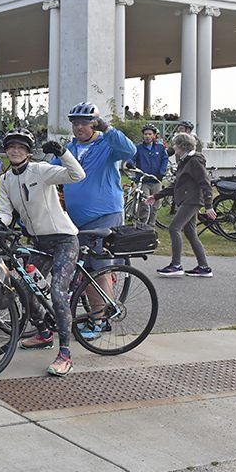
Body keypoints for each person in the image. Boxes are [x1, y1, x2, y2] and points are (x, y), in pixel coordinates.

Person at [0, 129, 85, 376]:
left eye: (21, 147)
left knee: (57, 292)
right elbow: (5, 211)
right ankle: (44, 333)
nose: (15, 151)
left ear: (28, 152)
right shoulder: (6, 179)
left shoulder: (41, 170)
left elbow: (77, 175)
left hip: (64, 240)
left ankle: (65, 353)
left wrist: (63, 153)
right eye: (11, 146)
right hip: (38, 242)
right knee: (25, 289)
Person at [54, 102, 136, 341]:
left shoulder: (106, 145)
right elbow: (49, 171)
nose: (79, 127)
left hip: (105, 215)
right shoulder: (69, 148)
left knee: (96, 268)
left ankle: (100, 320)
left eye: (84, 123)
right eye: (75, 123)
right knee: (82, 269)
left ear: (94, 124)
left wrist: (107, 129)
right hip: (76, 220)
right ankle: (97, 309)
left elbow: (130, 151)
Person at [148, 133, 215, 277]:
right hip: (187, 199)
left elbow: (205, 183)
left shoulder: (194, 161)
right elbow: (176, 185)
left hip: (192, 200)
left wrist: (209, 205)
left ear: (182, 146)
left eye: (175, 145)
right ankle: (204, 267)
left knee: (174, 228)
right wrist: (156, 196)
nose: (174, 147)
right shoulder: (185, 161)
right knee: (190, 233)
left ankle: (176, 265)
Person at [127, 123, 168, 225]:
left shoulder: (160, 148)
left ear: (154, 135)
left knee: (155, 204)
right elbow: (132, 158)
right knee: (145, 203)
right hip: (144, 180)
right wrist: (130, 164)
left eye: (150, 134)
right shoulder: (139, 148)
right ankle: (142, 224)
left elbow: (164, 160)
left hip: (156, 180)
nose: (147, 136)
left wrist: (161, 173)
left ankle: (151, 226)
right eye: (145, 134)